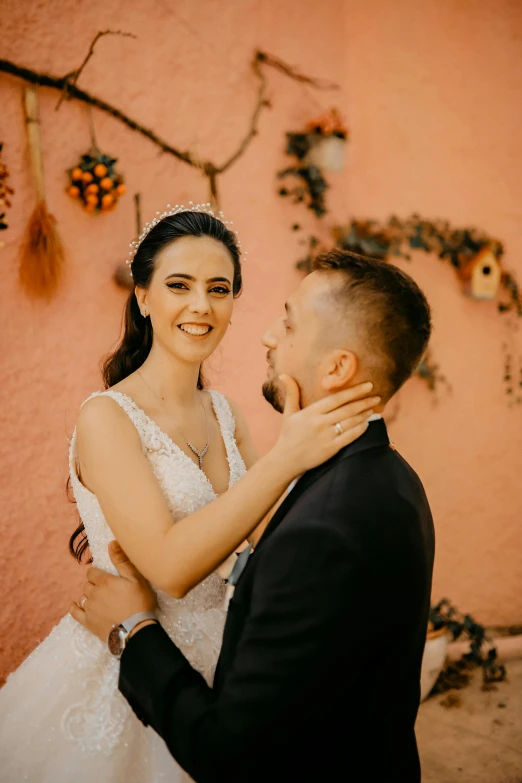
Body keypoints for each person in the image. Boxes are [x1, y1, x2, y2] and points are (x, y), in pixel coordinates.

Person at [0, 206, 376, 783]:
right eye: (180, 285)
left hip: (222, 663)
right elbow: (169, 568)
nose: (201, 305)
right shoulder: (106, 418)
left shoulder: (224, 412)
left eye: (218, 289)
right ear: (144, 296)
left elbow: (274, 539)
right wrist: (286, 457)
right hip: (130, 663)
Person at [75, 248, 435, 783]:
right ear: (143, 297)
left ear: (337, 367)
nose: (267, 335)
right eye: (179, 284)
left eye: (287, 323)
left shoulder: (322, 523)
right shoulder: (393, 479)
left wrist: (134, 627)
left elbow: (229, 754)